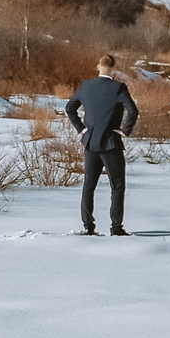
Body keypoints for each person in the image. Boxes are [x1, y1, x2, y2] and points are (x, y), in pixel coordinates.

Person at [64, 54, 140, 236]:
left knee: (89, 185)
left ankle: (88, 226)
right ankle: (116, 227)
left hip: (90, 143)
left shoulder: (86, 86)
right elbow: (133, 111)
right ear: (114, 69)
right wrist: (125, 130)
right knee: (118, 185)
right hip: (110, 144)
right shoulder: (118, 87)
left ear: (98, 66)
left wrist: (81, 129)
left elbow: (70, 108)